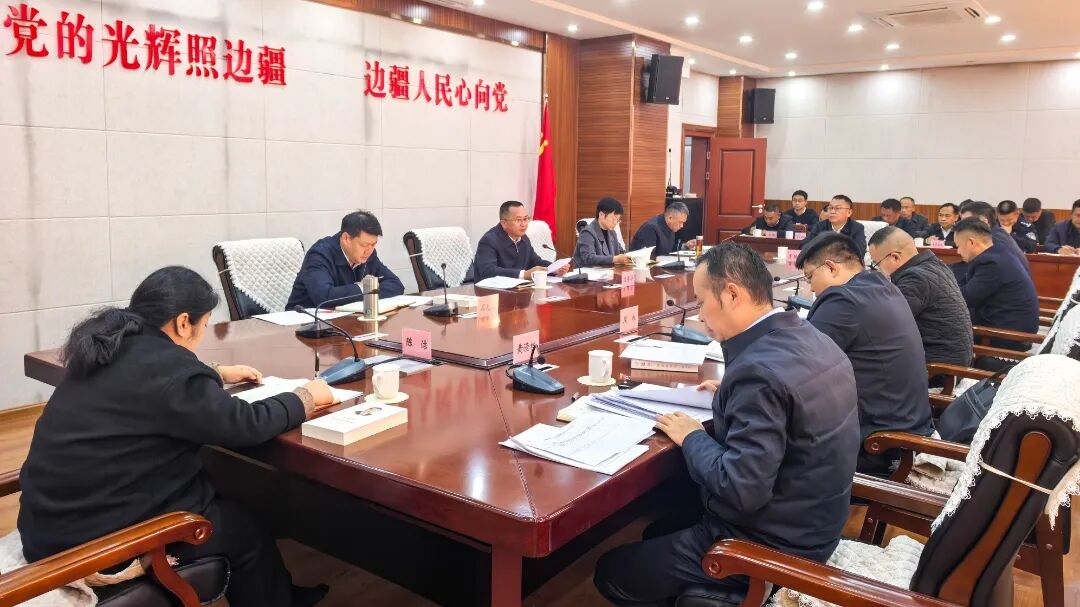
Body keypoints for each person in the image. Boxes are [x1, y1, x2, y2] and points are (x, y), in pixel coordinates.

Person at [18, 267, 335, 607]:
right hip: (94, 549)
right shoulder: (171, 371)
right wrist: (305, 397)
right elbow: (245, 424)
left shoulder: (107, 344)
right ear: (184, 322)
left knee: (219, 492)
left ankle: (283, 595)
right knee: (244, 529)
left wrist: (212, 373)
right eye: (204, 325)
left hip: (49, 529)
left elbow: (144, 385)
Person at [593, 244, 859, 605]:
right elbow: (789, 406)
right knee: (659, 528)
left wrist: (693, 436)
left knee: (611, 571)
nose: (699, 314)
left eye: (702, 301)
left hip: (770, 546)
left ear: (732, 294)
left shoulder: (758, 373)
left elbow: (741, 489)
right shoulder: (812, 337)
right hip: (814, 526)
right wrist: (736, 397)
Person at [795, 233, 933, 474]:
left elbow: (798, 365)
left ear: (830, 267)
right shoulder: (882, 286)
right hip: (908, 430)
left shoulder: (843, 300)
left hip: (878, 444)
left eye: (810, 277)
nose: (811, 287)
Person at [867, 227, 974, 373]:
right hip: (951, 358)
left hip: (939, 368)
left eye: (876, 263)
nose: (877, 269)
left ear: (895, 257)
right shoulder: (934, 264)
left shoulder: (914, 279)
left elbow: (887, 324)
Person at [953, 218, 1039, 365]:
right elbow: (966, 285)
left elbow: (965, 299)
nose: (958, 251)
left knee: (939, 328)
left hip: (1007, 336)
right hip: (1006, 324)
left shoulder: (991, 264)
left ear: (971, 242)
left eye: (959, 246)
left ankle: (943, 371)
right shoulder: (999, 252)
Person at [286, 210, 404, 309]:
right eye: (364, 245)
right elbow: (324, 298)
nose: (369, 250)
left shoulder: (369, 254)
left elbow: (396, 285)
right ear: (346, 238)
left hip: (345, 319)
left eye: (373, 244)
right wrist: (362, 288)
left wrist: (366, 290)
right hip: (304, 322)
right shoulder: (319, 254)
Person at [475, 200, 569, 280]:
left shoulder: (523, 238)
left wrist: (554, 269)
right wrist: (524, 274)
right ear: (504, 223)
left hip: (517, 290)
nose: (523, 224)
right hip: (491, 293)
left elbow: (534, 262)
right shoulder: (489, 241)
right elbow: (488, 271)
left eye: (525, 219)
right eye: (518, 220)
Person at [959, 200, 1030, 273]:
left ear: (984, 221)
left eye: (967, 222)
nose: (962, 226)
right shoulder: (996, 233)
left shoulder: (992, 240)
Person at [574, 197, 631, 268]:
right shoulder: (587, 232)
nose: (615, 222)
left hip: (606, 272)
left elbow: (620, 252)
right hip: (587, 273)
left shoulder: (612, 233)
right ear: (601, 215)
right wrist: (615, 259)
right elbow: (589, 258)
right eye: (614, 219)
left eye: (618, 220)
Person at [806, 194, 867, 259]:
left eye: (837, 208)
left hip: (846, 263)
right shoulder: (820, 226)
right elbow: (806, 245)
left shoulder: (857, 228)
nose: (832, 211)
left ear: (849, 212)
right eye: (830, 208)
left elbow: (860, 251)